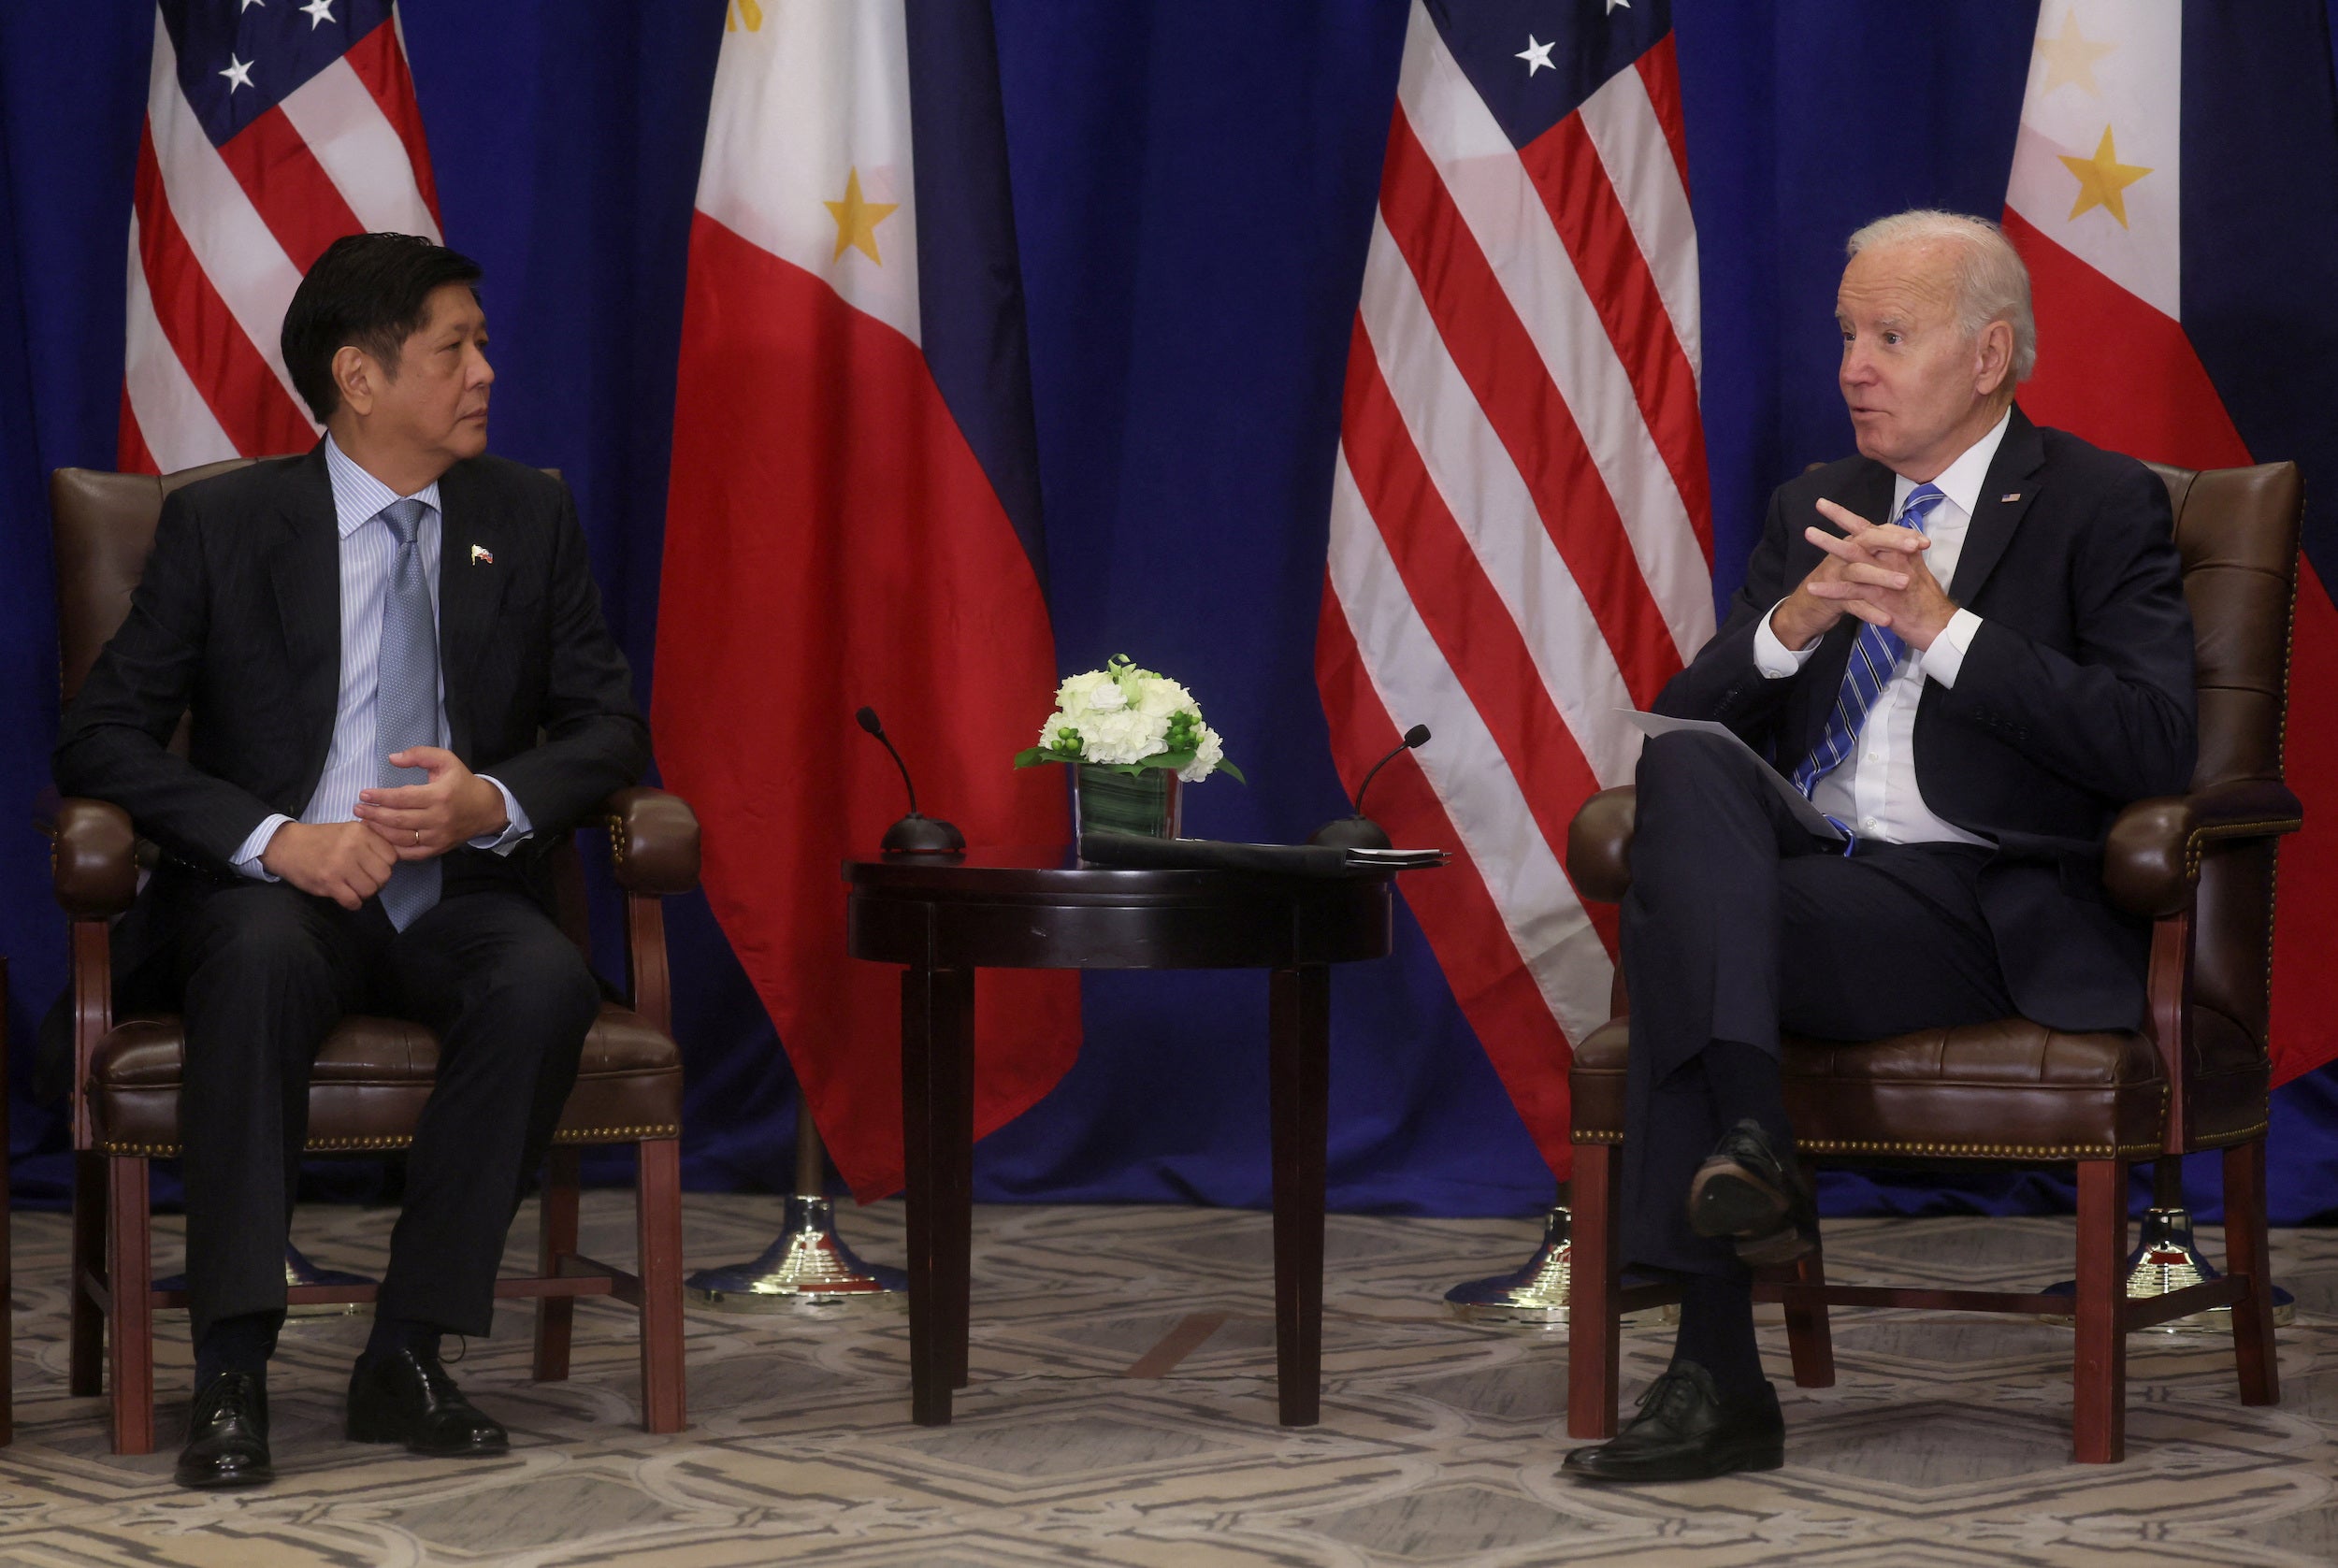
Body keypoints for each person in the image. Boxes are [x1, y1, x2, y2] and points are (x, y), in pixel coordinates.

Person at [1560, 210, 2196, 1484]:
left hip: (1975, 903)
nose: (1852, 363)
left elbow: (2153, 740)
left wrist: (1942, 627)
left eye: (1889, 336)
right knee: (1687, 768)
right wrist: (1794, 621)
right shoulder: (1819, 503)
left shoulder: (2096, 502)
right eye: (1848, 333)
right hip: (1810, 883)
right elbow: (1685, 716)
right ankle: (1753, 1150)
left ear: (1989, 355)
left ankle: (1717, 1372)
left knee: (1686, 929)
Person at [53, 233, 649, 1489]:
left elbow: (608, 726)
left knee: (540, 980)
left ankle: (411, 1349)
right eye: (456, 347)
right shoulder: (223, 523)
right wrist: (278, 839)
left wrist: (492, 795)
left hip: (458, 892)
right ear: (360, 378)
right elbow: (99, 733)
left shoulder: (527, 514)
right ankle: (231, 1369)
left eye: (482, 343)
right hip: (277, 893)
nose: (486, 369)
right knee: (260, 957)